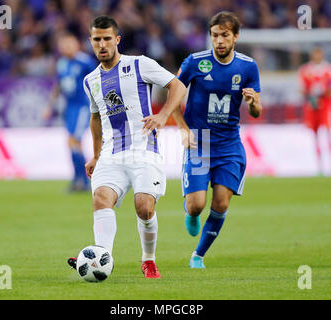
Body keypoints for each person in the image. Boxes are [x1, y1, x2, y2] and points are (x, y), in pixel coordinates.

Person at [67, 16, 186, 278]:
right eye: (96, 39)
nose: (102, 44)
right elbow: (96, 117)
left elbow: (177, 86)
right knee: (101, 199)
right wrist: (96, 156)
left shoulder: (139, 64)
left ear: (117, 39)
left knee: (144, 207)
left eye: (107, 38)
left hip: (143, 150)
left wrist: (163, 116)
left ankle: (149, 259)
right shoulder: (91, 80)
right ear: (91, 41)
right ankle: (100, 257)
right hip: (110, 153)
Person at [172, 11, 262, 268]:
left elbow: (257, 112)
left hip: (229, 145)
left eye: (224, 35)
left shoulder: (247, 66)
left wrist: (253, 103)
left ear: (236, 36)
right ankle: (191, 212)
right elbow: (174, 97)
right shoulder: (194, 62)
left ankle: (198, 255)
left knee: (221, 203)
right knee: (197, 205)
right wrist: (182, 128)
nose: (219, 41)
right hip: (199, 141)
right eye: (214, 35)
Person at [44, 32, 97, 191]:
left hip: (83, 106)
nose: (66, 47)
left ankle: (85, 181)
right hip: (70, 108)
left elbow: (97, 81)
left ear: (77, 45)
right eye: (63, 44)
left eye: (69, 43)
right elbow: (58, 85)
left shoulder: (85, 62)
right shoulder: (61, 63)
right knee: (71, 142)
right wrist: (49, 106)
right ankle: (78, 180)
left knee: (75, 140)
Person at [299, 47, 331, 175]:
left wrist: (323, 91)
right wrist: (310, 93)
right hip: (312, 107)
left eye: (319, 53)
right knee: (315, 135)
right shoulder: (305, 70)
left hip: (326, 107)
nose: (317, 56)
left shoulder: (328, 69)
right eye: (315, 54)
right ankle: (319, 165)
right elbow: (301, 89)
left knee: (328, 133)